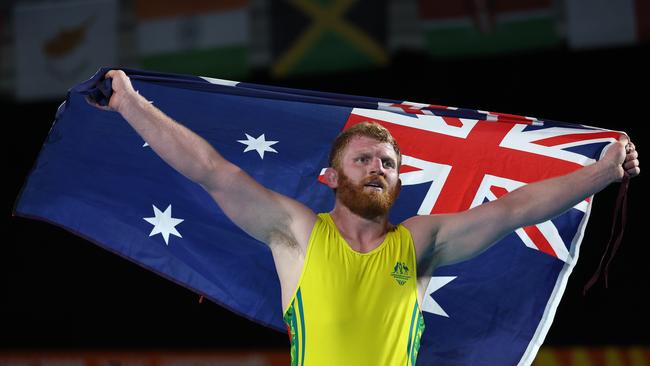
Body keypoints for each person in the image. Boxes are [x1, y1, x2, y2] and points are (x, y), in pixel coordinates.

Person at [96, 69, 640, 366]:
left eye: (388, 164)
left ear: (398, 182)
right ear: (331, 177)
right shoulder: (298, 232)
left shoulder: (419, 242)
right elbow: (211, 170)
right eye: (363, 160)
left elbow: (513, 210)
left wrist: (600, 174)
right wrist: (129, 104)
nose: (377, 169)